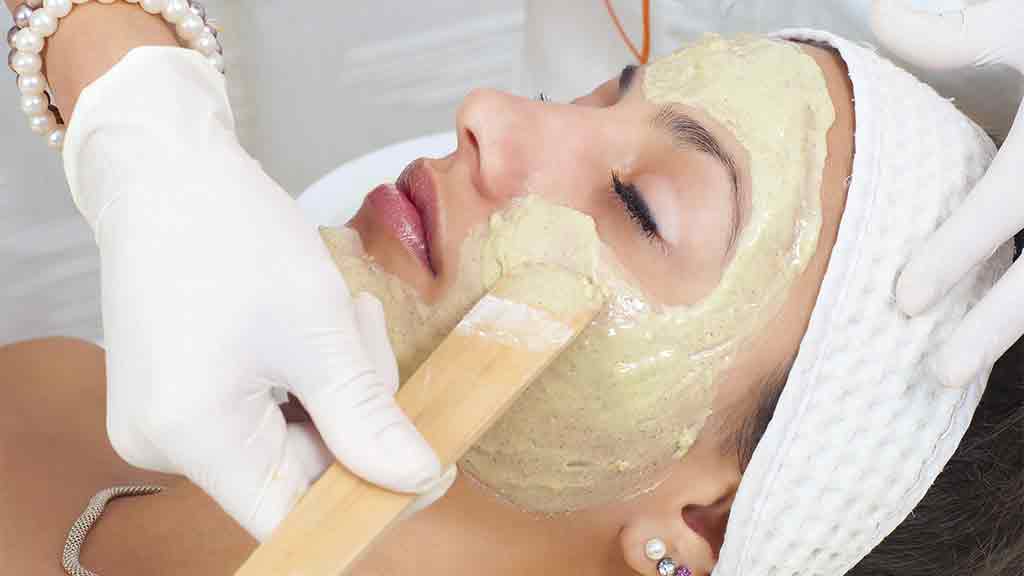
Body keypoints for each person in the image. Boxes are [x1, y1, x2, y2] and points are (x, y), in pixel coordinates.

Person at [2, 13, 1021, 576]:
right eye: (610, 91)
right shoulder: (46, 403)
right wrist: (135, 101)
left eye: (639, 206)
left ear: (701, 527)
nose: (487, 112)